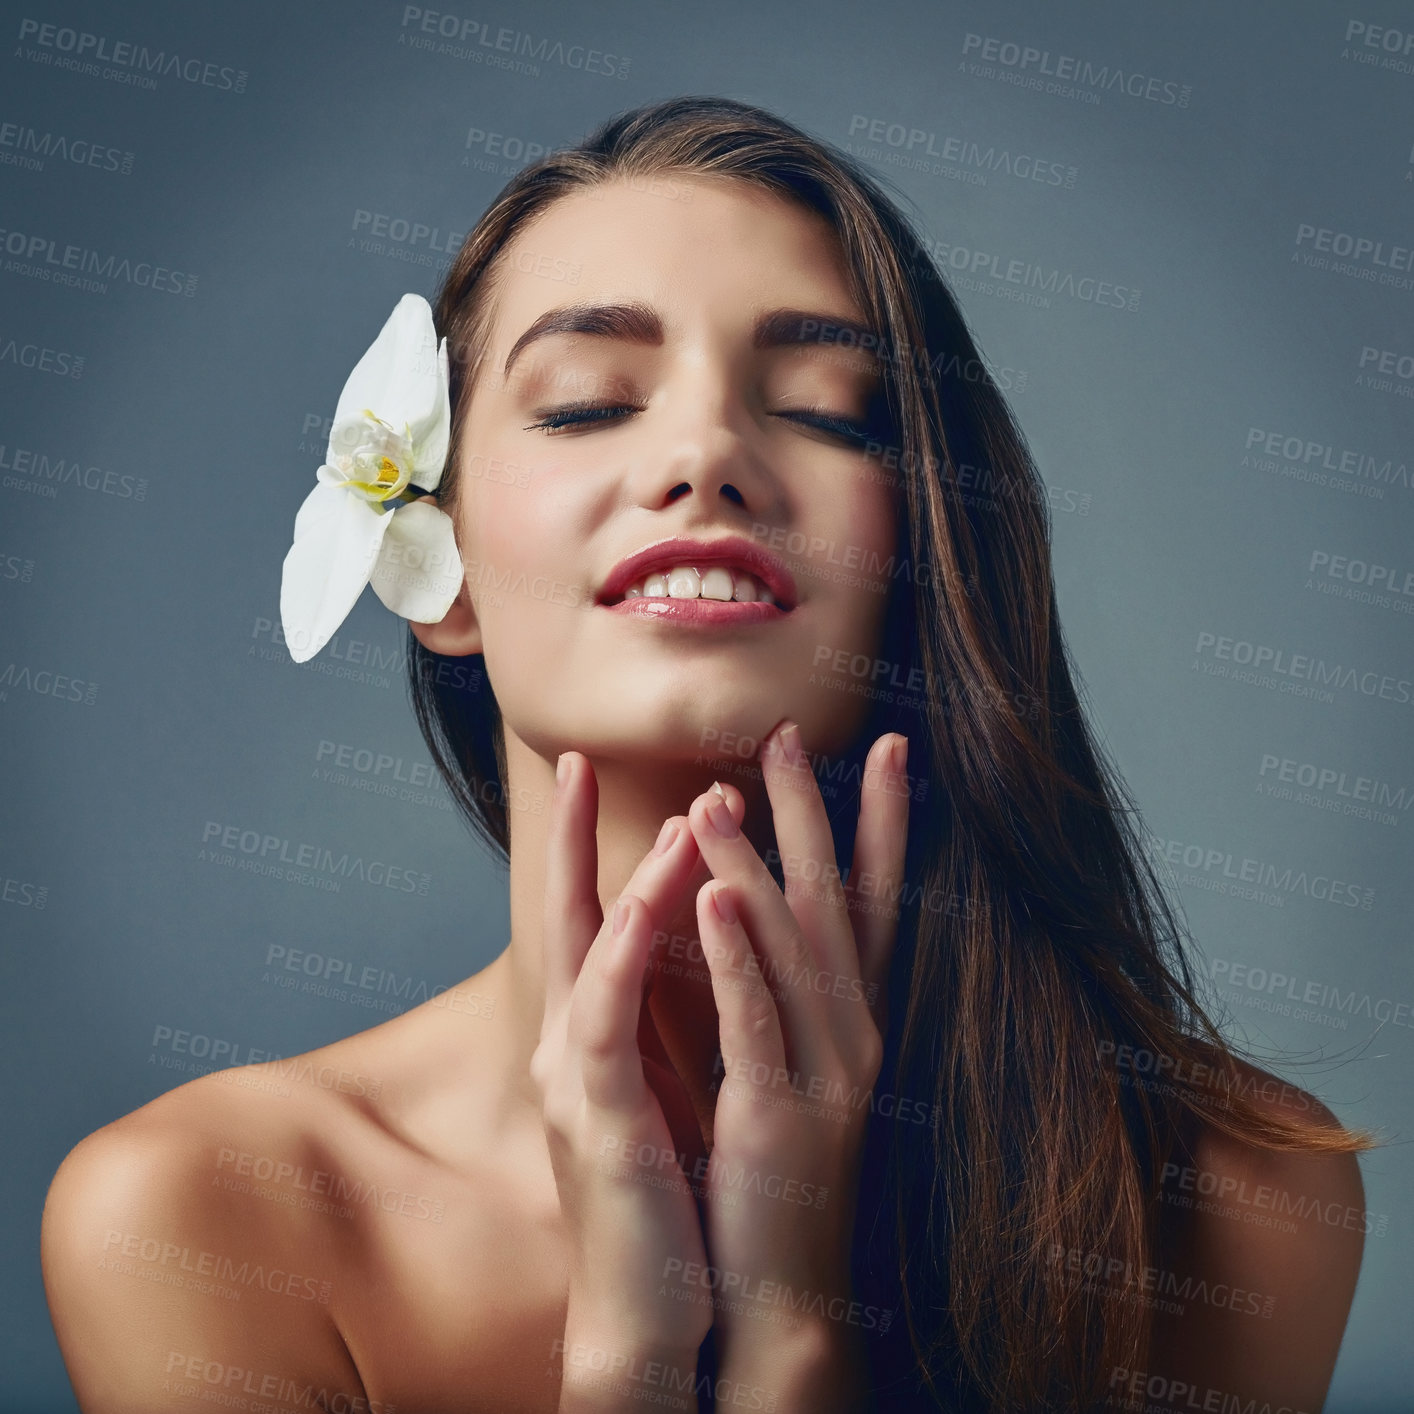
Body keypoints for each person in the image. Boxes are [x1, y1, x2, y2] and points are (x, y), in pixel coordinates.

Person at [41, 96, 1370, 1414]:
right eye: (582, 405)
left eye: (827, 410)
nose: (705, 453)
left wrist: (795, 1332)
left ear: (925, 548)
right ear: (434, 566)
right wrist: (629, 1354)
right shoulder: (205, 1220)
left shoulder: (1222, 1201)